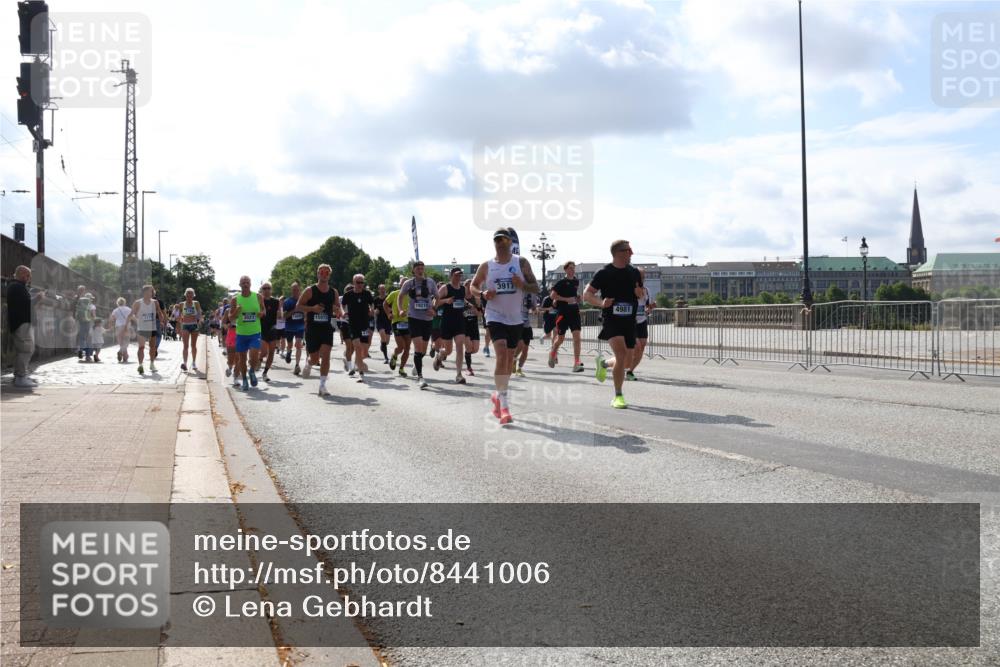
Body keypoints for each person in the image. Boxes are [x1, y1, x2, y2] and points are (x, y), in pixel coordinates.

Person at [471, 228, 538, 424]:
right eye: (496, 240)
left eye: (503, 239)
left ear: (510, 242)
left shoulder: (521, 263)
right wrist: (482, 295)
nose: (500, 242)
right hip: (494, 315)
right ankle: (505, 407)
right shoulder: (487, 266)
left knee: (509, 360)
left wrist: (522, 285)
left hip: (516, 318)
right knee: (501, 354)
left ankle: (498, 396)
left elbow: (536, 287)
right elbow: (473, 286)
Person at [584, 240, 643, 409]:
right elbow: (586, 295)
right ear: (619, 252)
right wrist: (601, 303)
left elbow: (639, 293)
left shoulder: (634, 272)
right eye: (629, 250)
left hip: (629, 321)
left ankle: (603, 364)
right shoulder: (604, 272)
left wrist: (639, 293)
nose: (632, 253)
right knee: (622, 353)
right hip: (611, 319)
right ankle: (618, 395)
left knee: (626, 361)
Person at [298, 264, 342, 396]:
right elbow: (298, 306)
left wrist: (338, 311)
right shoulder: (310, 290)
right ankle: (310, 363)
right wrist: (312, 309)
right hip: (312, 328)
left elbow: (336, 307)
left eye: (326, 273)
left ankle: (322, 386)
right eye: (321, 272)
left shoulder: (333, 292)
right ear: (317, 274)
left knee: (326, 355)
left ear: (329, 275)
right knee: (315, 358)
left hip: (326, 328)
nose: (324, 275)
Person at [398, 262, 438, 389]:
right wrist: (400, 309)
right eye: (418, 268)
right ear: (413, 271)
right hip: (414, 318)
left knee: (423, 350)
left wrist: (434, 309)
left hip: (427, 319)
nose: (420, 270)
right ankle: (420, 378)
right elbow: (400, 296)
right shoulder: (408, 283)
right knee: (418, 347)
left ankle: (417, 364)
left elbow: (438, 297)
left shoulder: (430, 282)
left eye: (422, 268)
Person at [434, 267, 469, 384]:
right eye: (456, 275)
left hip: (459, 322)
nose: (458, 277)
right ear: (451, 276)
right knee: (448, 351)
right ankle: (439, 356)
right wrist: (446, 301)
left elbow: (462, 300)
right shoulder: (445, 288)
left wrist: (470, 306)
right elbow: (435, 302)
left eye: (460, 275)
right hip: (447, 323)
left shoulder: (463, 288)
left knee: (460, 347)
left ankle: (459, 375)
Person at [549, 261, 585, 372]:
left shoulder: (576, 281)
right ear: (565, 270)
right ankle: (553, 352)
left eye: (573, 268)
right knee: (560, 339)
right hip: (563, 313)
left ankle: (576, 363)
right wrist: (565, 299)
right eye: (570, 268)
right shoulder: (561, 282)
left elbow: (574, 293)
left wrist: (577, 297)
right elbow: (552, 296)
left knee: (577, 338)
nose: (572, 270)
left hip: (574, 312)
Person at [230, 275, 265, 390]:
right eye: (243, 282)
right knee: (242, 359)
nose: (245, 284)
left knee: (254, 355)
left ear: (250, 284)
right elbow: (230, 318)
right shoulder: (235, 299)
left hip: (255, 332)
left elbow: (263, 310)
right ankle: (244, 379)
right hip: (241, 333)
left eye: (247, 282)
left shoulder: (258, 296)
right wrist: (237, 311)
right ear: (240, 285)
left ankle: (252, 371)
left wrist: (262, 313)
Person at [7, 265, 37, 388]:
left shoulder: (18, 287)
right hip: (21, 323)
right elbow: (26, 304)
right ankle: (20, 377)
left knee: (25, 349)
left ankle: (20, 375)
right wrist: (38, 298)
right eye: (27, 275)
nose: (29, 278)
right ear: (19, 274)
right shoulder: (16, 287)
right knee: (26, 349)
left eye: (29, 275)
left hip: (23, 323)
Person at [342, 274, 374, 383]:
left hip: (364, 324)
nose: (360, 285)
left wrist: (372, 309)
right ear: (354, 282)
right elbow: (342, 305)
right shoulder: (348, 295)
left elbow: (372, 303)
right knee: (357, 347)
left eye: (362, 282)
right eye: (358, 282)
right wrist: (343, 312)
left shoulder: (367, 294)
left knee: (364, 351)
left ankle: (356, 363)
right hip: (353, 324)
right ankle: (361, 374)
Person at [130, 285, 165, 375]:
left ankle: (152, 364)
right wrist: (136, 319)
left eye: (153, 291)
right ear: (145, 292)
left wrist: (161, 320)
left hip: (152, 327)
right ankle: (140, 365)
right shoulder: (138, 303)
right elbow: (131, 314)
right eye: (151, 291)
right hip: (141, 327)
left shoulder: (155, 302)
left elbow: (159, 312)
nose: (153, 293)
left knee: (152, 347)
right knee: (141, 347)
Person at [627, 271, 652, 381]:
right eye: (640, 277)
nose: (642, 279)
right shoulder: (629, 290)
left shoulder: (646, 291)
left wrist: (650, 308)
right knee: (636, 347)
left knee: (641, 347)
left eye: (643, 277)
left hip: (642, 321)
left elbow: (647, 307)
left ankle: (630, 371)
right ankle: (608, 364)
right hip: (630, 323)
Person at [385, 280, 411, 377]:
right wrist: (389, 313)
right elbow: (385, 304)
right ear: (400, 285)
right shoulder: (394, 293)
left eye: (407, 284)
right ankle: (395, 355)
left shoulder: (411, 295)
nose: (405, 286)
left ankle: (401, 368)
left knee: (407, 348)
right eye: (403, 284)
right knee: (401, 346)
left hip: (409, 323)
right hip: (397, 322)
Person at [258, 282, 282, 381]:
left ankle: (265, 373)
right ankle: (258, 360)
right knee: (264, 352)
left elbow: (280, 315)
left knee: (271, 352)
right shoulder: (259, 301)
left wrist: (280, 314)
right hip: (261, 329)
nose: (267, 290)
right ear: (262, 290)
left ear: (271, 290)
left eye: (268, 288)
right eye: (264, 288)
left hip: (272, 329)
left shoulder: (276, 301)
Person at [282, 282, 306, 374]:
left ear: (300, 290)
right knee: (290, 344)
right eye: (294, 290)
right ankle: (288, 352)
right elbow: (284, 316)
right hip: (289, 327)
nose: (295, 291)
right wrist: (294, 311)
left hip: (300, 326)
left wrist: (304, 313)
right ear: (291, 290)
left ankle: (297, 365)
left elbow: (307, 313)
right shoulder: (287, 302)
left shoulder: (303, 301)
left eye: (297, 290)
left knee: (299, 345)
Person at [513, 292, 537, 377]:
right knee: (521, 345)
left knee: (525, 349)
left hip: (527, 323)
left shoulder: (533, 294)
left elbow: (534, 308)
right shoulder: (518, 290)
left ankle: (519, 369)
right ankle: (514, 358)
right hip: (517, 321)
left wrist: (534, 309)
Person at [461, 279, 482, 376]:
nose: (469, 289)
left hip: (474, 325)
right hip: (464, 326)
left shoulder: (476, 299)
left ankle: (466, 355)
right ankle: (469, 368)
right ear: (464, 287)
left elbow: (480, 314)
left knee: (476, 349)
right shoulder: (460, 298)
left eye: (470, 287)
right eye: (467, 287)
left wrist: (475, 309)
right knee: (469, 347)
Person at [178, 288, 203, 372]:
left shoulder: (196, 303)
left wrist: (198, 319)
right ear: (185, 295)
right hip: (185, 325)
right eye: (188, 294)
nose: (189, 295)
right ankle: (185, 363)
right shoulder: (182, 304)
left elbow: (199, 313)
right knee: (185, 345)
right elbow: (178, 315)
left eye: (191, 294)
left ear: (193, 295)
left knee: (193, 345)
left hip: (194, 325)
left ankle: (194, 362)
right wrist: (178, 325)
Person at [109, 297, 132, 363]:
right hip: (126, 327)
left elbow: (111, 319)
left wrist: (110, 327)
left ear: (117, 303)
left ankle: (125, 356)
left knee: (121, 343)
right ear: (124, 302)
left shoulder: (115, 310)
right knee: (126, 342)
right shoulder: (128, 309)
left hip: (118, 327)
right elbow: (132, 317)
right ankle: (121, 352)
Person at [373, 283, 392, 364]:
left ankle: (382, 344)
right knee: (383, 336)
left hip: (388, 321)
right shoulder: (376, 300)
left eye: (384, 289)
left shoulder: (389, 299)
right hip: (379, 321)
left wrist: (390, 310)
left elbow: (392, 308)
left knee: (386, 342)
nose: (382, 290)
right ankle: (386, 358)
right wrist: (375, 311)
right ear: (378, 290)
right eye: (381, 289)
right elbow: (373, 310)